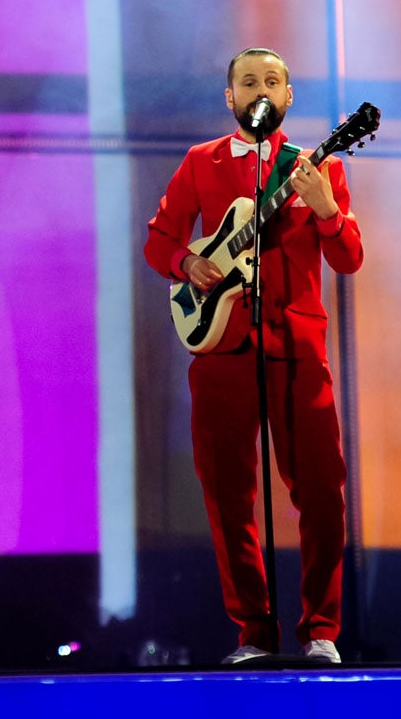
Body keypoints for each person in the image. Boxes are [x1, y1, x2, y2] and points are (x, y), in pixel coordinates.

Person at [142, 47, 364, 666]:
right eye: (248, 81)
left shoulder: (315, 169)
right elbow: (160, 240)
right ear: (230, 97)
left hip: (296, 348)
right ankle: (253, 633)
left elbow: (348, 259)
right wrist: (188, 262)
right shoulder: (201, 162)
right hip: (220, 350)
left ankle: (321, 628)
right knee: (228, 494)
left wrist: (325, 210)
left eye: (272, 80)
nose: (259, 88)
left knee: (322, 491)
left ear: (289, 96)